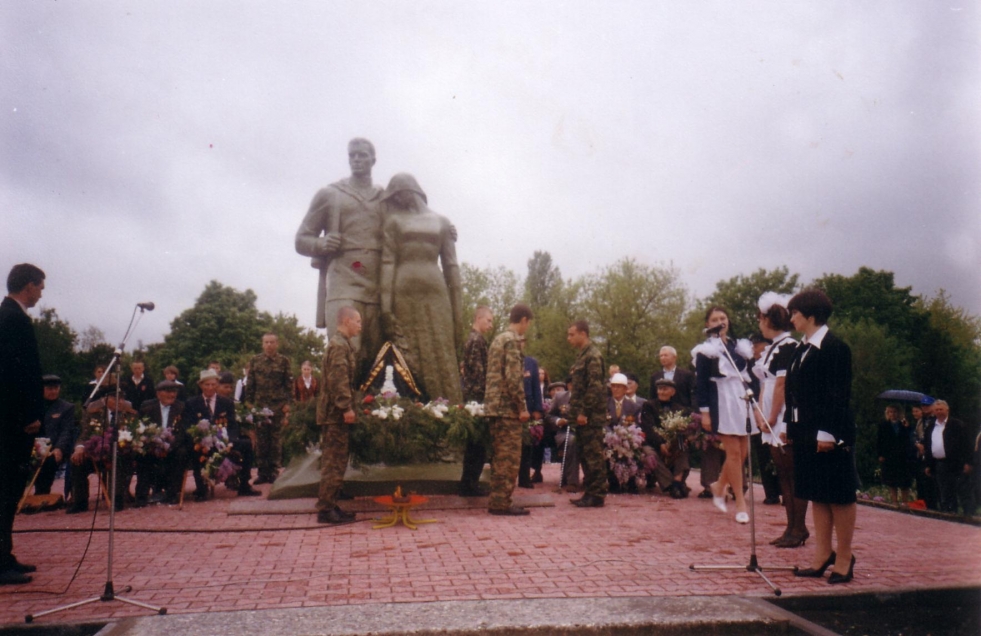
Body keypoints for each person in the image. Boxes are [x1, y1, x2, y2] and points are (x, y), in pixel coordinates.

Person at [786, 289, 859, 584]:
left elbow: (838, 395)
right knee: (818, 494)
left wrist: (828, 433)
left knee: (839, 496)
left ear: (811, 316)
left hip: (831, 434)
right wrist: (789, 429)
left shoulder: (835, 348)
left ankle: (844, 558)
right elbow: (794, 395)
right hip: (805, 433)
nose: (791, 318)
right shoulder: (799, 349)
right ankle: (822, 554)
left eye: (795, 313)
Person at [379, 173, 463, 404]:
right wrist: (385, 308)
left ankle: (449, 409)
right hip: (403, 294)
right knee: (411, 352)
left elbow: (451, 267)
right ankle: (420, 405)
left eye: (399, 195)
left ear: (410, 191)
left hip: (436, 293)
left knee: (441, 349)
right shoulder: (394, 222)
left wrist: (458, 315)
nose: (397, 201)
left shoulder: (442, 222)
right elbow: (387, 263)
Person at [0, 263, 45, 585]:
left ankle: (5, 555)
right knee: (6, 491)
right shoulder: (13, 319)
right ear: (28, 286)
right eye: (40, 287)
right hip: (13, 423)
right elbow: (15, 375)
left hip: (11, 420)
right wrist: (28, 416)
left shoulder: (9, 316)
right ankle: (1, 564)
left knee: (9, 491)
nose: (41, 293)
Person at [753, 292, 807, 548]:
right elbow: (765, 383)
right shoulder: (773, 347)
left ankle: (798, 528)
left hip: (783, 417)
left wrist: (773, 417)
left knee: (792, 472)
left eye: (760, 318)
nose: (759, 323)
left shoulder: (788, 346)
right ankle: (791, 527)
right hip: (769, 418)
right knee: (783, 474)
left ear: (769, 319)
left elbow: (782, 385)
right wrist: (760, 417)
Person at [694, 306, 755, 524]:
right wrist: (705, 414)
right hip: (721, 401)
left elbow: (749, 378)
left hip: (740, 399)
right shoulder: (704, 351)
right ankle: (740, 503)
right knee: (734, 455)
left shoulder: (738, 347)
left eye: (723, 317)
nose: (720, 321)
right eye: (714, 319)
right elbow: (700, 385)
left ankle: (719, 485)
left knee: (742, 452)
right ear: (708, 325)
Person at [483, 304, 533, 516]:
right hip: (507, 409)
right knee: (509, 458)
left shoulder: (497, 339)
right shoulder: (512, 341)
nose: (526, 328)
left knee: (498, 457)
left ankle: (498, 499)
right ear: (523, 321)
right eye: (527, 324)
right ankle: (501, 503)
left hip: (495, 407)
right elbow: (513, 379)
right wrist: (522, 407)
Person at [316, 307, 362, 524]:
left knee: (337, 460)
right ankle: (325, 510)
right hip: (335, 414)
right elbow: (338, 379)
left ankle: (331, 503)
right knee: (333, 461)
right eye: (358, 321)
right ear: (346, 321)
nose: (360, 326)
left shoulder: (343, 344)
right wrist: (346, 407)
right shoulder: (339, 346)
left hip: (335, 413)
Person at [186, 370, 260, 499]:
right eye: (207, 385)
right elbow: (188, 426)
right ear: (201, 385)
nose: (210, 388)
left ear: (217, 385)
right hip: (202, 442)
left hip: (224, 440)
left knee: (246, 444)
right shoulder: (192, 403)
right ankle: (201, 489)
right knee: (195, 451)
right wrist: (199, 439)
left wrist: (229, 441)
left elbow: (232, 425)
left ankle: (244, 486)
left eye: (213, 385)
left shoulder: (226, 402)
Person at [68, 391, 137, 513]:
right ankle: (80, 502)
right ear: (105, 399)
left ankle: (117, 499)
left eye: (122, 399)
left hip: (121, 453)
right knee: (78, 460)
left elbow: (134, 436)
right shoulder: (94, 414)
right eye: (115, 398)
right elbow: (84, 435)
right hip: (97, 453)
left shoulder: (130, 414)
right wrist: (79, 448)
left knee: (118, 459)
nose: (120, 402)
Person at [567, 320, 608, 508]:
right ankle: (590, 492)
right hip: (582, 417)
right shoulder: (582, 355)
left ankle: (597, 494)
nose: (569, 338)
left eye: (571, 334)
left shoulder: (593, 355)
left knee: (593, 455)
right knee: (585, 454)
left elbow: (595, 387)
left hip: (590, 417)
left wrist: (584, 412)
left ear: (583, 334)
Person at [244, 334, 293, 485]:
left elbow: (289, 385)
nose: (269, 345)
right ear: (262, 344)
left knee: (276, 441)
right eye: (266, 342)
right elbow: (250, 383)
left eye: (272, 342)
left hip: (278, 406)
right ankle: (262, 472)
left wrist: (288, 404)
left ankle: (273, 472)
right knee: (261, 440)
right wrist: (249, 404)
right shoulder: (255, 360)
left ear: (277, 344)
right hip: (260, 407)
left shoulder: (283, 361)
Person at [459, 306, 493, 497]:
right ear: (479, 318)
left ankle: (470, 483)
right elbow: (477, 373)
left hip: (476, 399)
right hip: (476, 400)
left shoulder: (477, 340)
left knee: (476, 446)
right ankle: (469, 484)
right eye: (488, 320)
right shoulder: (475, 340)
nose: (490, 325)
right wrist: (483, 399)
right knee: (476, 445)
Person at [135, 380, 186, 506]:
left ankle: (172, 493)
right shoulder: (147, 407)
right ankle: (141, 496)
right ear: (158, 394)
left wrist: (169, 447)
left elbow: (182, 433)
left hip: (173, 447)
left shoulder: (181, 408)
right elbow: (140, 429)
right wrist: (154, 445)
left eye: (174, 392)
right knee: (141, 454)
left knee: (181, 453)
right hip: (151, 445)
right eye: (168, 392)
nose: (172, 395)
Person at [923, 400, 975, 514]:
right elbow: (928, 447)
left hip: (958, 464)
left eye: (941, 409)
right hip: (940, 464)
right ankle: (949, 514)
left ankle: (969, 515)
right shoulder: (931, 427)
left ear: (947, 410)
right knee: (945, 492)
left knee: (963, 490)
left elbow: (967, 444)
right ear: (933, 411)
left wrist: (968, 462)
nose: (939, 412)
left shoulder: (957, 425)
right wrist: (928, 464)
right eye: (936, 410)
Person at [644, 379, 692, 498]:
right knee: (651, 456)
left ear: (673, 392)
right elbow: (648, 428)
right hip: (653, 443)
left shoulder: (681, 409)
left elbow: (683, 430)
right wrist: (660, 443)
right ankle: (673, 485)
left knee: (683, 447)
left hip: (674, 443)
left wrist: (677, 443)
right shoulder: (649, 405)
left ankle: (677, 481)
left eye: (665, 389)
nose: (661, 392)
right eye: (660, 389)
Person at [33, 375, 76, 499]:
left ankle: (42, 494)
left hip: (56, 447)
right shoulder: (33, 406)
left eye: (56, 388)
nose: (53, 391)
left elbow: (66, 431)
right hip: (34, 447)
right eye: (49, 389)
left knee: (49, 461)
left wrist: (59, 448)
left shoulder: (67, 407)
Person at [606, 372, 644, 493]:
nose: (616, 389)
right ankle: (613, 481)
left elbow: (636, 425)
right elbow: (602, 423)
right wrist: (611, 436)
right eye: (613, 386)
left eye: (619, 386)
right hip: (607, 439)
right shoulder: (603, 405)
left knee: (634, 448)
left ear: (625, 389)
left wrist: (624, 437)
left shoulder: (634, 407)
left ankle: (631, 481)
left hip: (626, 439)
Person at [876, 405, 915, 507]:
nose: (893, 414)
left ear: (899, 413)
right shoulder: (883, 425)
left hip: (903, 456)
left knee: (904, 481)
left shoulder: (904, 424)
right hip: (889, 456)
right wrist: (880, 454)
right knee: (891, 480)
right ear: (887, 413)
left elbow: (911, 439)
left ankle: (904, 501)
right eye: (890, 412)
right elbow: (879, 441)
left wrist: (907, 427)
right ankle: (894, 501)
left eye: (895, 412)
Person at [546, 382, 579, 491]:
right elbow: (549, 415)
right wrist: (558, 421)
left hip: (583, 430)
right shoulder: (560, 397)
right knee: (572, 441)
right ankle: (572, 482)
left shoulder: (587, 397)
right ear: (569, 386)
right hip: (564, 431)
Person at [518, 354, 544, 488]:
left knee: (526, 443)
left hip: (527, 407)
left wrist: (537, 408)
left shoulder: (531, 362)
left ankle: (524, 477)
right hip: (510, 406)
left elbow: (536, 387)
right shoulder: (506, 357)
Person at [913, 397, 939, 510]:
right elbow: (915, 435)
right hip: (920, 454)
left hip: (932, 454)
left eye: (927, 405)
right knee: (921, 482)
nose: (925, 407)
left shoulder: (936, 419)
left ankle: (932, 507)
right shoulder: (921, 420)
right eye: (923, 405)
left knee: (932, 483)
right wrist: (917, 444)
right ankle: (921, 505)